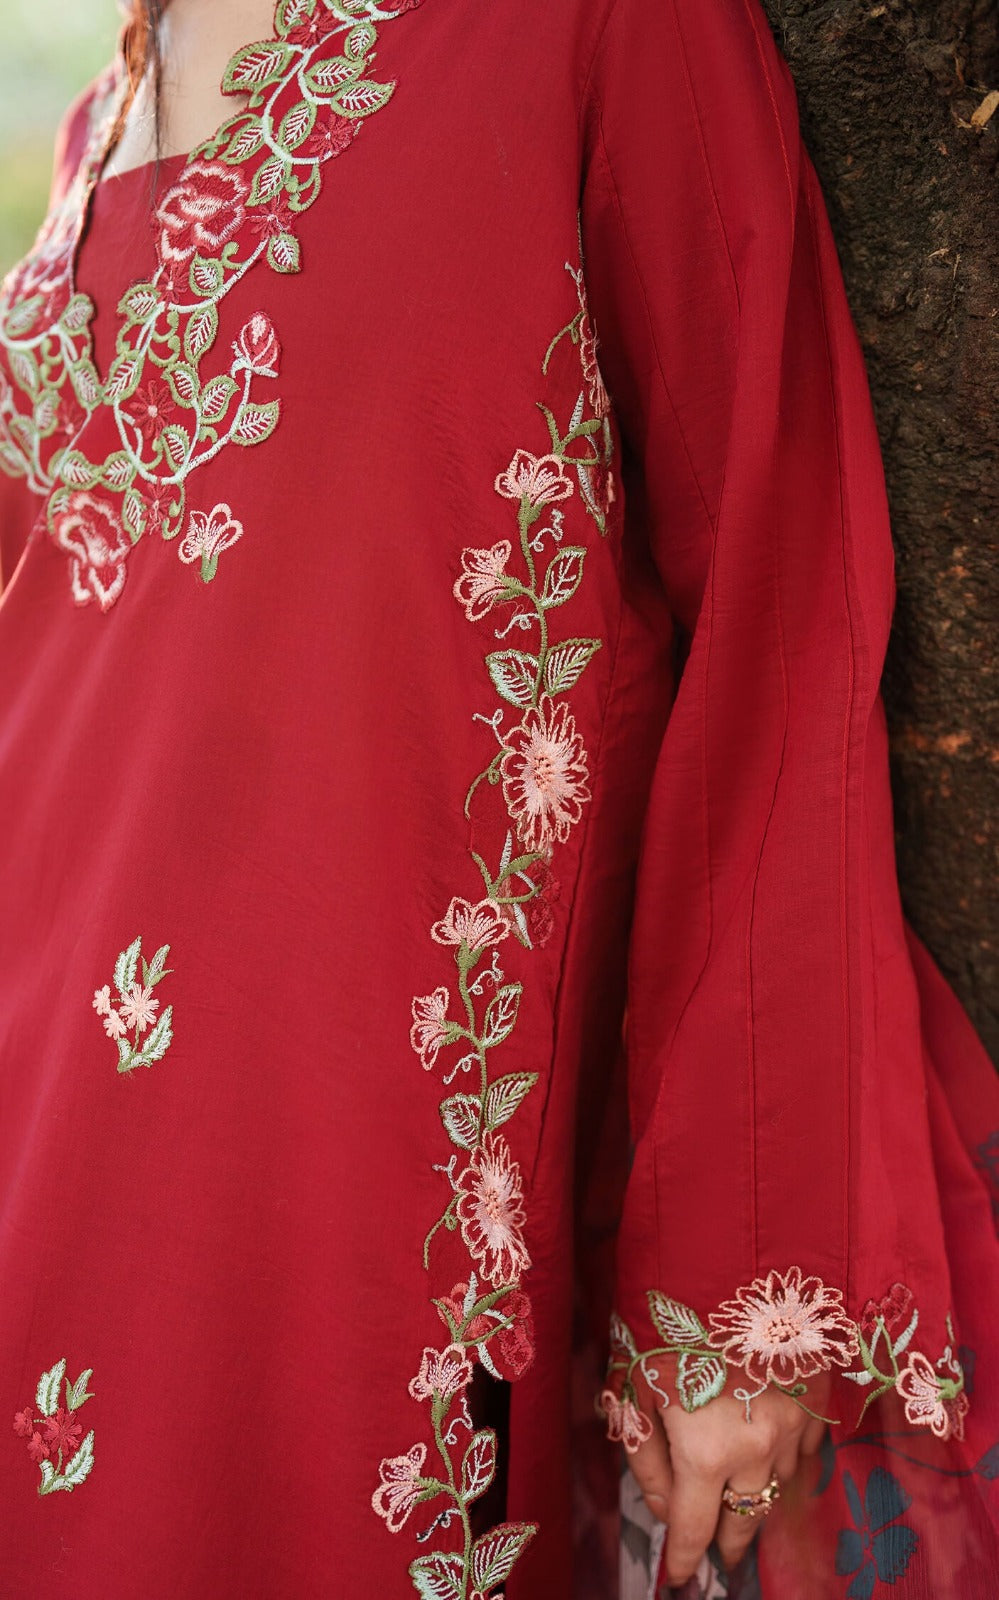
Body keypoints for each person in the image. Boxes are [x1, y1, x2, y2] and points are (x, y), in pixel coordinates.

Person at [0, 1, 996, 1595]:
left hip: (356, 1193)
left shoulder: (592, 28)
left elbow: (779, 591)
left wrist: (746, 1252)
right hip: (41, 1150)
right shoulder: (101, 111)